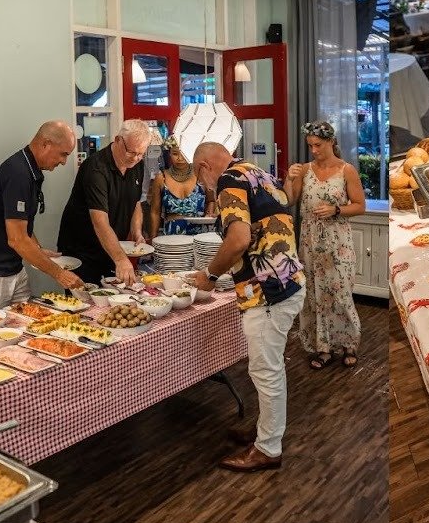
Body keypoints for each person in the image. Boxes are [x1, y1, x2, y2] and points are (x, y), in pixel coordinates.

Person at [192, 142, 307, 473]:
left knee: (265, 370)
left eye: (200, 178)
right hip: (288, 279)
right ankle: (265, 431)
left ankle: (268, 448)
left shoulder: (228, 180)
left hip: (267, 290)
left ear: (204, 166)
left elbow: (239, 240)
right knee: (267, 368)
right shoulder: (256, 172)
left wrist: (210, 275)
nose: (204, 187)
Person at [0, 121, 84, 309]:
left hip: (14, 271)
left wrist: (37, 249)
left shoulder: (30, 170)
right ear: (46, 144)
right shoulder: (18, 173)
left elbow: (21, 225)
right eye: (63, 154)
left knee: (30, 322)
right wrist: (60, 274)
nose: (64, 162)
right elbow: (17, 239)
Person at [284, 121, 365, 370]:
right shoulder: (305, 170)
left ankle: (349, 343)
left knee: (340, 292)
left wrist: (336, 209)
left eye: (318, 145)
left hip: (338, 241)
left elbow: (360, 206)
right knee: (314, 294)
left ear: (331, 141)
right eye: (310, 145)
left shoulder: (346, 170)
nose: (314, 150)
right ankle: (323, 347)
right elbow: (289, 201)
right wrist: (288, 178)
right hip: (309, 241)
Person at [58, 119, 148, 286]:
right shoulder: (96, 168)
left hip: (111, 249)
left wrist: (136, 232)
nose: (136, 158)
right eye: (132, 152)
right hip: (83, 252)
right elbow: (100, 222)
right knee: (86, 300)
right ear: (118, 140)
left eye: (141, 153)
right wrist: (121, 259)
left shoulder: (138, 165)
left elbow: (135, 203)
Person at [149, 143, 215, 238]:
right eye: (175, 154)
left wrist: (209, 214)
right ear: (169, 153)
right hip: (171, 237)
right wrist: (153, 238)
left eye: (184, 153)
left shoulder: (201, 175)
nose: (180, 158)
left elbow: (211, 200)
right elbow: (155, 212)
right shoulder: (161, 178)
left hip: (199, 236)